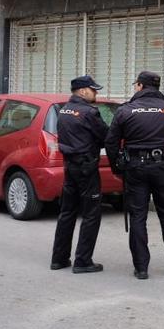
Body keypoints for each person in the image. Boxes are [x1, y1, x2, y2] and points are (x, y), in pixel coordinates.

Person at [105, 71, 164, 280]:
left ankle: (141, 268)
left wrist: (117, 167)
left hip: (135, 168)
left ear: (140, 86)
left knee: (138, 217)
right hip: (162, 167)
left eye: (135, 84)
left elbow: (110, 142)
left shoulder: (125, 111)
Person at [51, 75, 108, 274]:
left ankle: (59, 258)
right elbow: (105, 136)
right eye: (94, 89)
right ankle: (83, 261)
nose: (96, 93)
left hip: (70, 166)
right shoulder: (89, 112)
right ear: (83, 91)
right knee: (92, 214)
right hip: (86, 167)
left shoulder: (64, 109)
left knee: (67, 212)